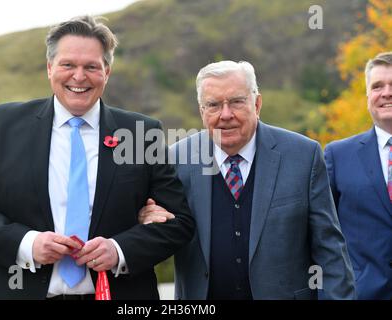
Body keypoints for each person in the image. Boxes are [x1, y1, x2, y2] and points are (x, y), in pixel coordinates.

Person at [0, 15, 194, 300]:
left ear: (106, 71)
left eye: (91, 66)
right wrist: (28, 244)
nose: (79, 77)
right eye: (68, 65)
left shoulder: (143, 133)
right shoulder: (4, 124)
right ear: (49, 68)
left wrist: (118, 250)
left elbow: (178, 223)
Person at [138, 60, 356, 299]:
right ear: (202, 111)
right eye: (213, 105)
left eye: (236, 102)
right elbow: (158, 234)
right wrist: (146, 219)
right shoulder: (175, 159)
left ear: (257, 103)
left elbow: (330, 252)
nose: (226, 115)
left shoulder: (304, 155)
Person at [324, 52, 392, 300]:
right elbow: (321, 235)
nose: (386, 93)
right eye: (377, 86)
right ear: (367, 97)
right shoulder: (337, 155)